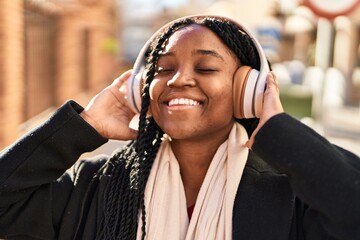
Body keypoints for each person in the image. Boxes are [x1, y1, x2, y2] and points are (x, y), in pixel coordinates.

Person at [0, 15, 359, 240]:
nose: (179, 80)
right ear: (142, 89)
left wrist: (278, 131)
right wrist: (84, 127)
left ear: (246, 90)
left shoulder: (291, 195)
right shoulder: (96, 185)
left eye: (205, 69)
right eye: (163, 69)